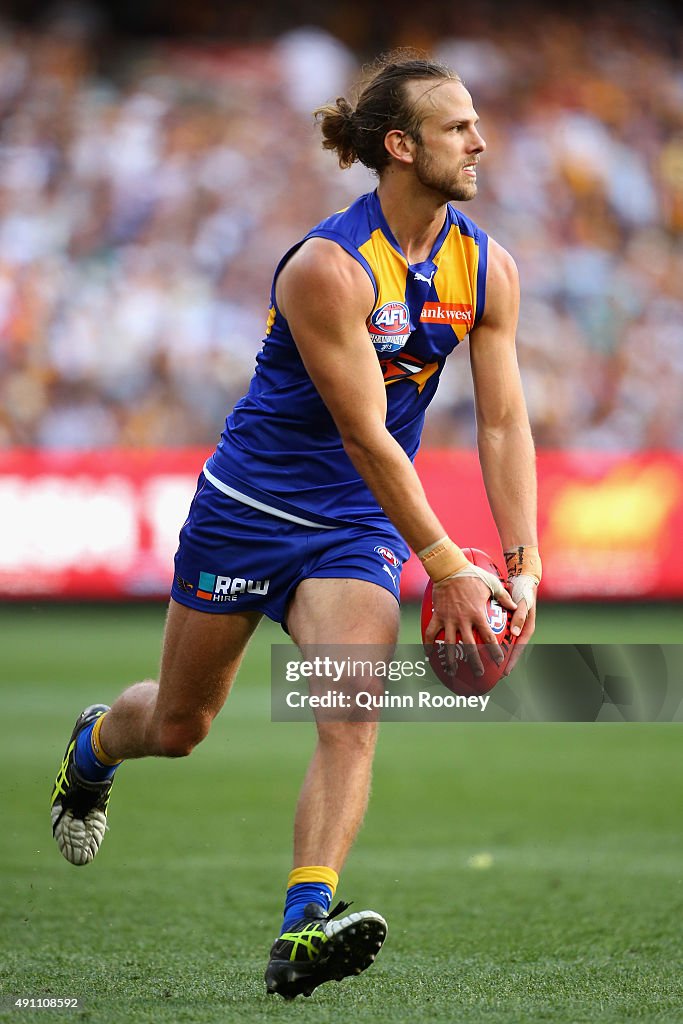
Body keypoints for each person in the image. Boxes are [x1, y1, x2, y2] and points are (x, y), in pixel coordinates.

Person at [50, 52, 541, 1000]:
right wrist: (446, 562)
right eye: (457, 127)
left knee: (352, 710)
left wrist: (519, 566)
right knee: (182, 725)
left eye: (476, 122)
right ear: (399, 146)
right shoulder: (327, 267)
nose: (480, 141)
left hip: (355, 527)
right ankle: (93, 747)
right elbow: (365, 434)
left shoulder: (485, 266)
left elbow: (501, 423)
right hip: (250, 512)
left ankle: (304, 925)